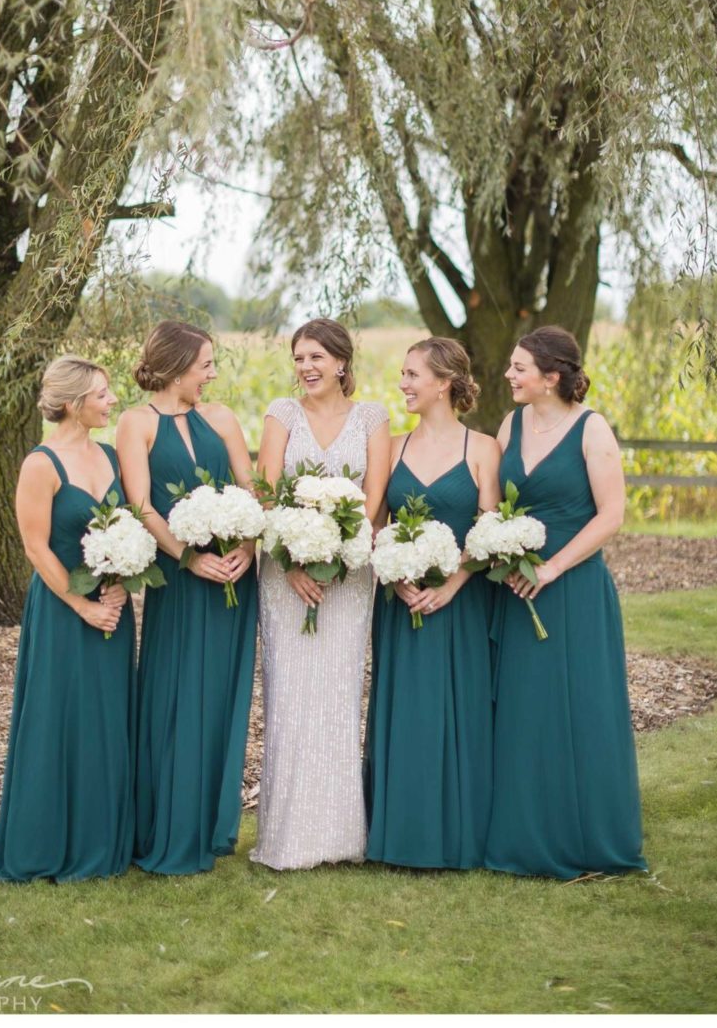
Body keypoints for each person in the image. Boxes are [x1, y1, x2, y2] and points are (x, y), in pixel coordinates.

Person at [0, 357, 135, 882]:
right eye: (102, 395)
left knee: (107, 723)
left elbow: (130, 527)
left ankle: (103, 840)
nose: (111, 402)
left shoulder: (110, 455)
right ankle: (44, 842)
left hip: (113, 609)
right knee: (59, 720)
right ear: (72, 404)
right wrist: (83, 605)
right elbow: (35, 548)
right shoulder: (40, 465)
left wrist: (123, 582)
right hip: (65, 612)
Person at [484, 327, 645, 879]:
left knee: (577, 711)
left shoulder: (591, 428)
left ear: (552, 376)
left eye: (519, 367)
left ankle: (584, 837)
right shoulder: (511, 424)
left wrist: (551, 568)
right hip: (514, 586)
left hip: (571, 588)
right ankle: (523, 832)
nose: (509, 375)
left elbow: (612, 515)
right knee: (524, 712)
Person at [118, 320, 259, 875]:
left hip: (232, 578)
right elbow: (142, 504)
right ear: (176, 367)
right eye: (205, 364)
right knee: (176, 696)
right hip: (179, 583)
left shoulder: (221, 417)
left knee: (220, 698)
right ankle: (168, 827)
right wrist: (188, 557)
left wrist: (246, 546)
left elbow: (252, 490)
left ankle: (210, 825)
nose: (212, 374)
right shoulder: (136, 424)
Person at [252, 317, 391, 870]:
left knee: (337, 695)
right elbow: (266, 493)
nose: (306, 368)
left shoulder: (372, 418)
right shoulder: (281, 415)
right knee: (289, 696)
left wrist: (342, 555)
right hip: (285, 577)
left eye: (315, 357)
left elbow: (374, 502)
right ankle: (287, 838)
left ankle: (340, 837)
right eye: (298, 358)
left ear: (341, 363)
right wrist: (289, 564)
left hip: (350, 578)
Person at [363, 336, 501, 870]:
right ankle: (401, 833)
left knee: (460, 710)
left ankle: (458, 834)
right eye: (402, 374)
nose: (403, 384)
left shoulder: (483, 449)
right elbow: (376, 523)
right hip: (400, 604)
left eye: (412, 375)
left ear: (444, 383)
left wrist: (453, 582)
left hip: (460, 604)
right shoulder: (392, 447)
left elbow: (490, 530)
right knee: (407, 710)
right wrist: (394, 575)